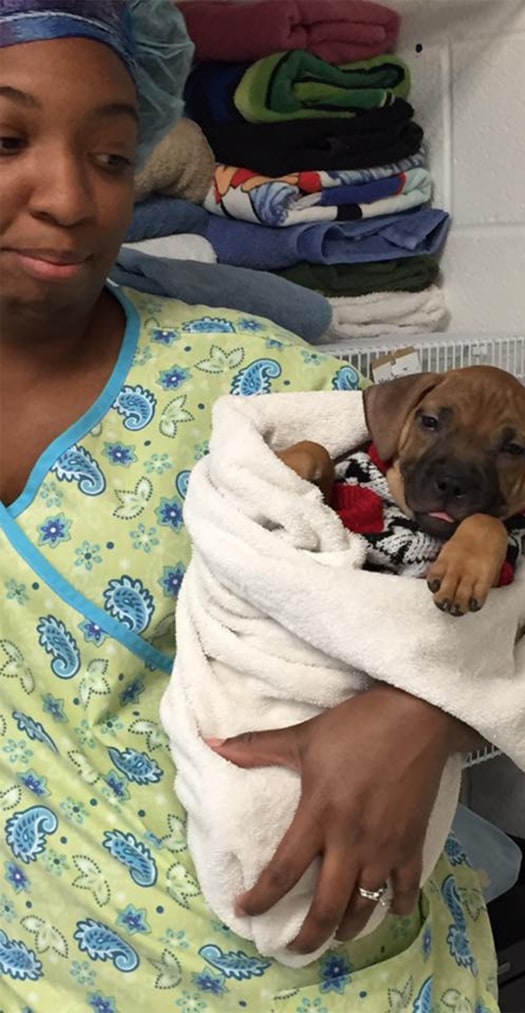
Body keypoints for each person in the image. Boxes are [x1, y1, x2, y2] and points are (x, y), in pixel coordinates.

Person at [0, 2, 498, 1009]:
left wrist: (428, 710)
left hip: (325, 972)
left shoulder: (249, 383)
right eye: (8, 139)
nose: (69, 196)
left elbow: (524, 570)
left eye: (107, 155)